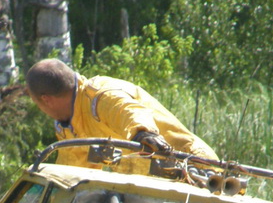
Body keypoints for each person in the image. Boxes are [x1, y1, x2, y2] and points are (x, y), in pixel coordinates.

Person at [25, 58, 217, 171]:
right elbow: (72, 170)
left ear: (46, 100)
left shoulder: (99, 97)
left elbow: (128, 111)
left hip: (198, 169)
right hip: (155, 191)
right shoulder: (70, 128)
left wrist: (144, 133)